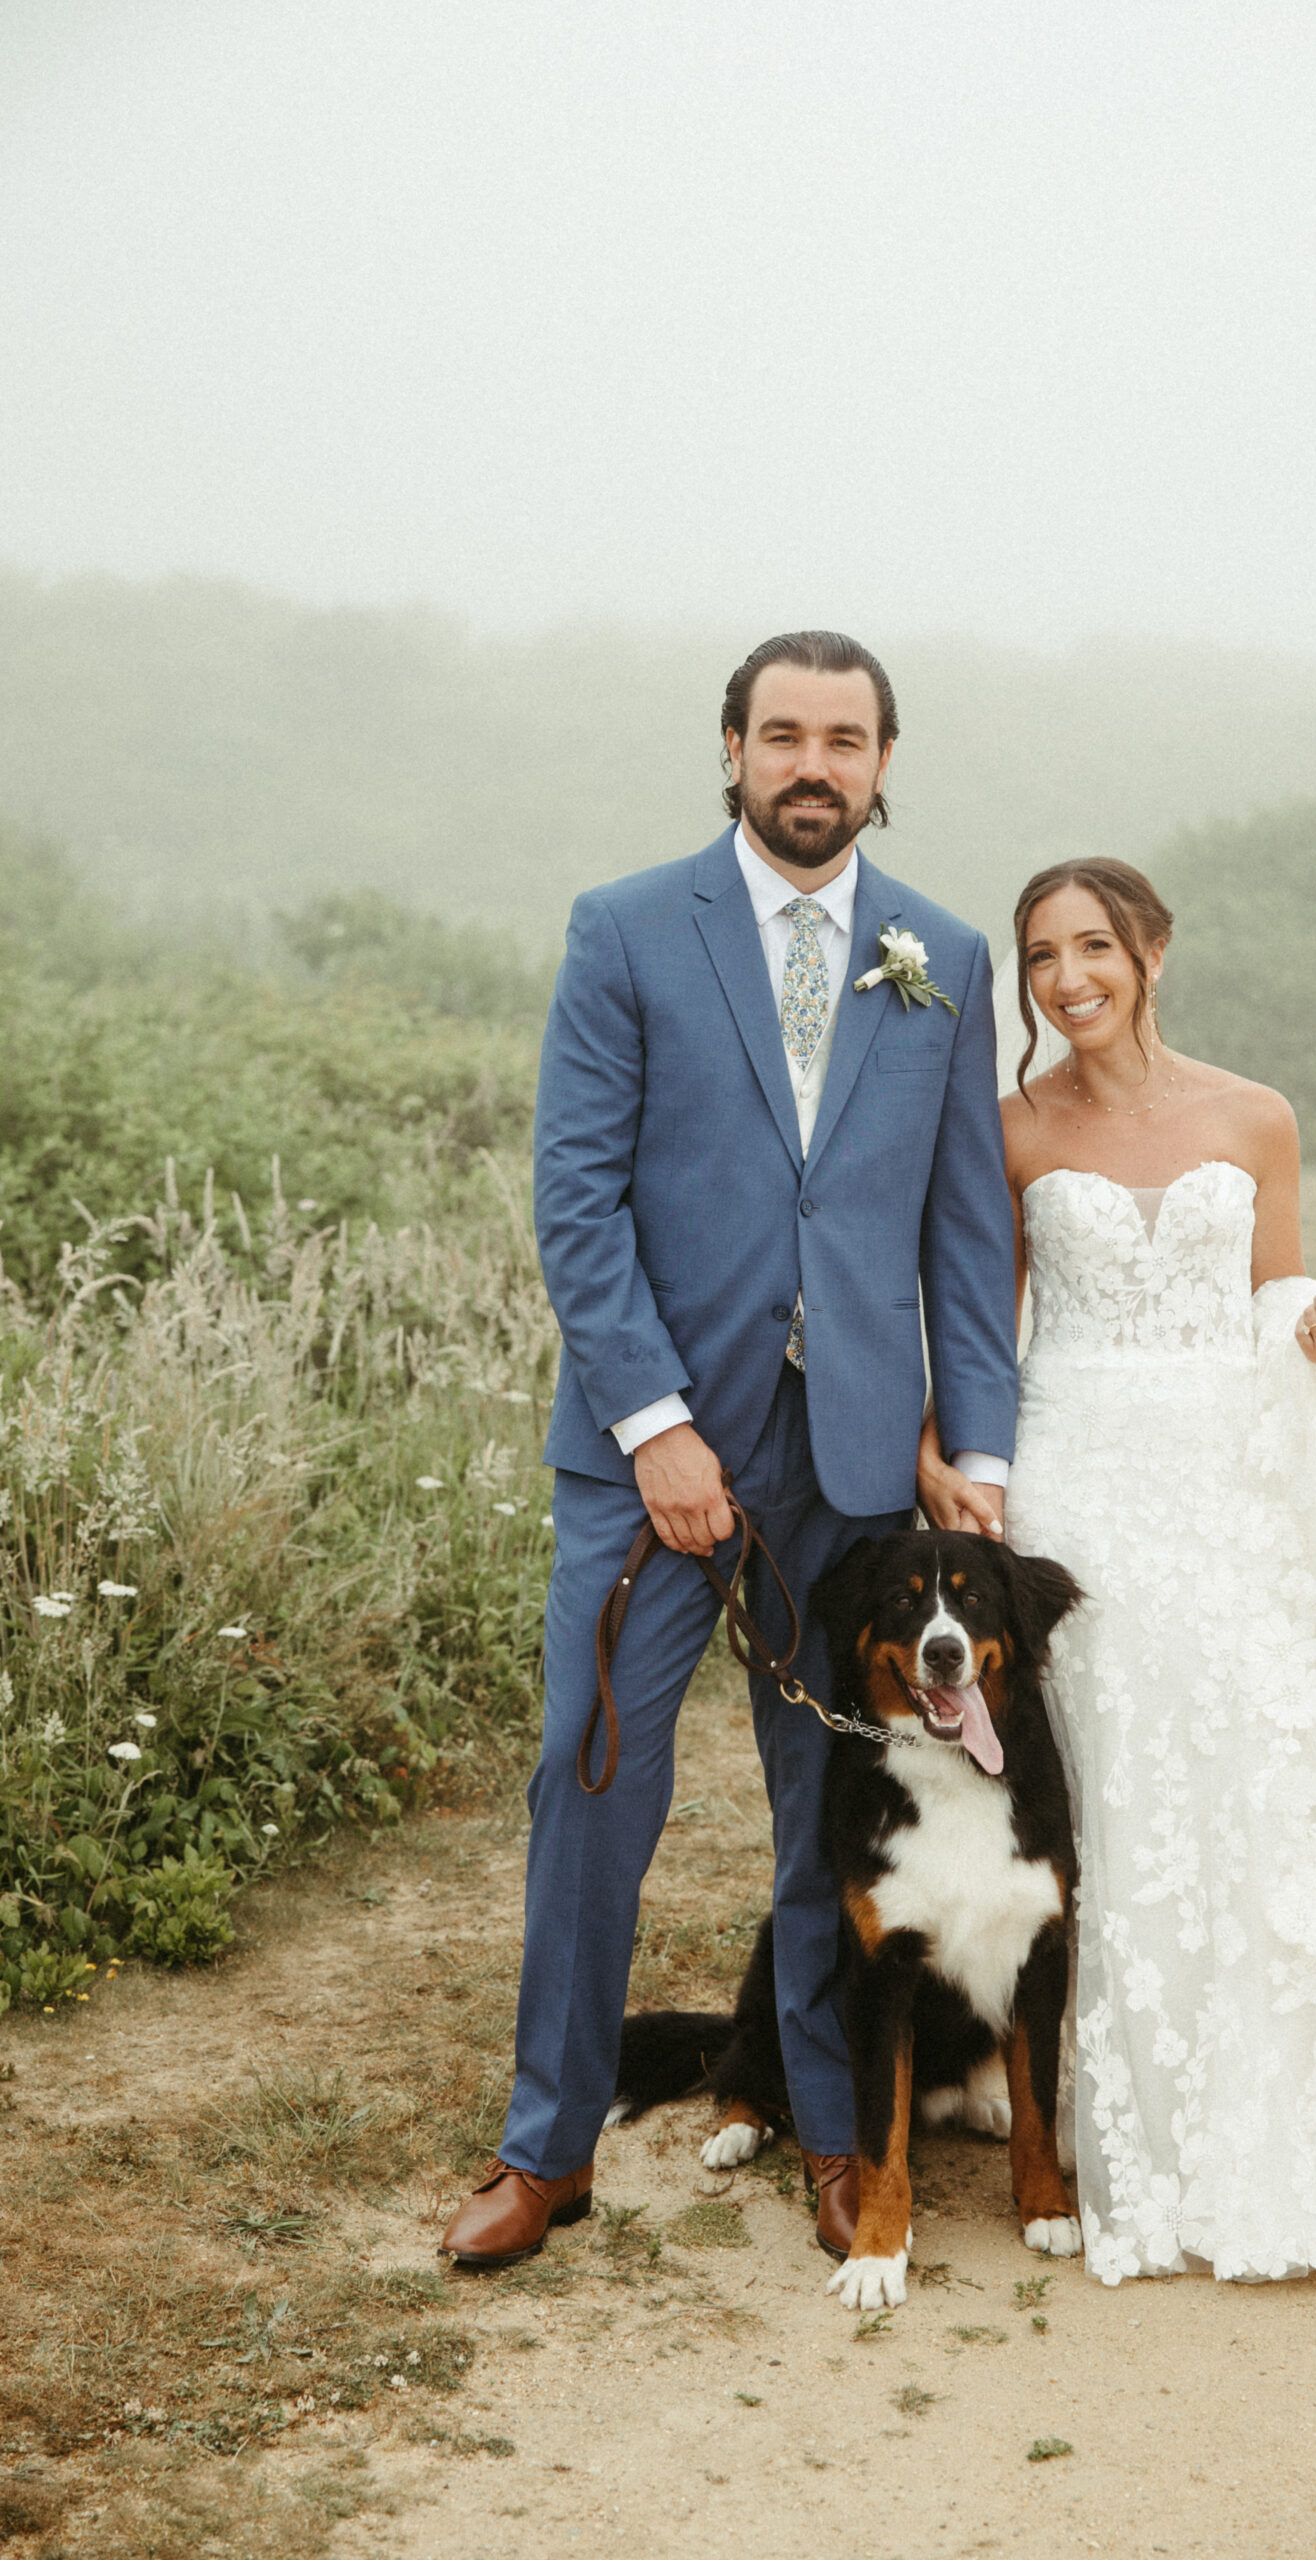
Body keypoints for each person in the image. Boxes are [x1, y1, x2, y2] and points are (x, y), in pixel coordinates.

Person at [440, 631, 1017, 2270]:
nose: (812, 763)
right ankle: (545, 2152)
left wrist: (973, 1452)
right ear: (733, 749)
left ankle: (838, 2137)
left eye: (845, 737)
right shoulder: (625, 929)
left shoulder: (944, 955)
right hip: (650, 1469)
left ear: (886, 763)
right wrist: (657, 1426)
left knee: (826, 1813)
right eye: (783, 734)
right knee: (590, 1785)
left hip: (846, 1481)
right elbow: (578, 1199)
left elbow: (965, 1241)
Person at [920, 858, 1316, 2284]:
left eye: (1093, 946)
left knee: (1249, 1793)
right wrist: (953, 1456)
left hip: (1231, 1491)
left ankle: (1274, 2147)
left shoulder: (1255, 1116)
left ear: (1153, 951)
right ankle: (1114, 2144)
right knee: (1111, 1807)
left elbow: (1283, 1310)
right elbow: (988, 1335)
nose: (1067, 980)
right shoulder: (1008, 1131)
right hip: (1080, 1483)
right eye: (1042, 956)